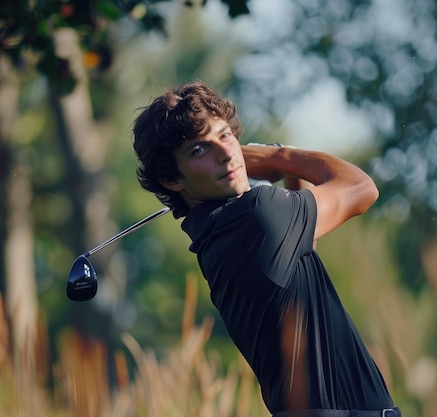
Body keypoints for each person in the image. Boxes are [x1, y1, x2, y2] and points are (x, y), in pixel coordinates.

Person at [132, 81, 400, 417]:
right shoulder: (257, 214)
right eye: (199, 150)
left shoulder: (217, 236)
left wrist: (286, 170)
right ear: (172, 180)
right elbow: (362, 188)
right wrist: (278, 155)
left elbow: (304, 246)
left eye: (225, 135)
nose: (226, 153)